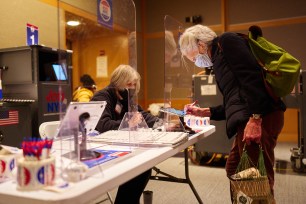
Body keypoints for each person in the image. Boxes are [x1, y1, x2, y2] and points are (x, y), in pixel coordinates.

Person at [179, 24, 286, 202]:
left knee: (256, 178)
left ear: (200, 45)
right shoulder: (219, 58)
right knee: (235, 169)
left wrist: (255, 118)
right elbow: (236, 100)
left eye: (193, 58)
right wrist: (207, 112)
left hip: (261, 116)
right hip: (251, 116)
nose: (195, 62)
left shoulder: (226, 42)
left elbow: (252, 77)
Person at [91, 64, 158, 204]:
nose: (132, 87)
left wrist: (161, 123)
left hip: (121, 147)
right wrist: (128, 123)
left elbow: (142, 115)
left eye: (134, 84)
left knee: (143, 166)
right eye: (129, 84)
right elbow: (103, 125)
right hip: (101, 149)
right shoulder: (102, 96)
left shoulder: (127, 97)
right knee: (138, 168)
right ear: (118, 82)